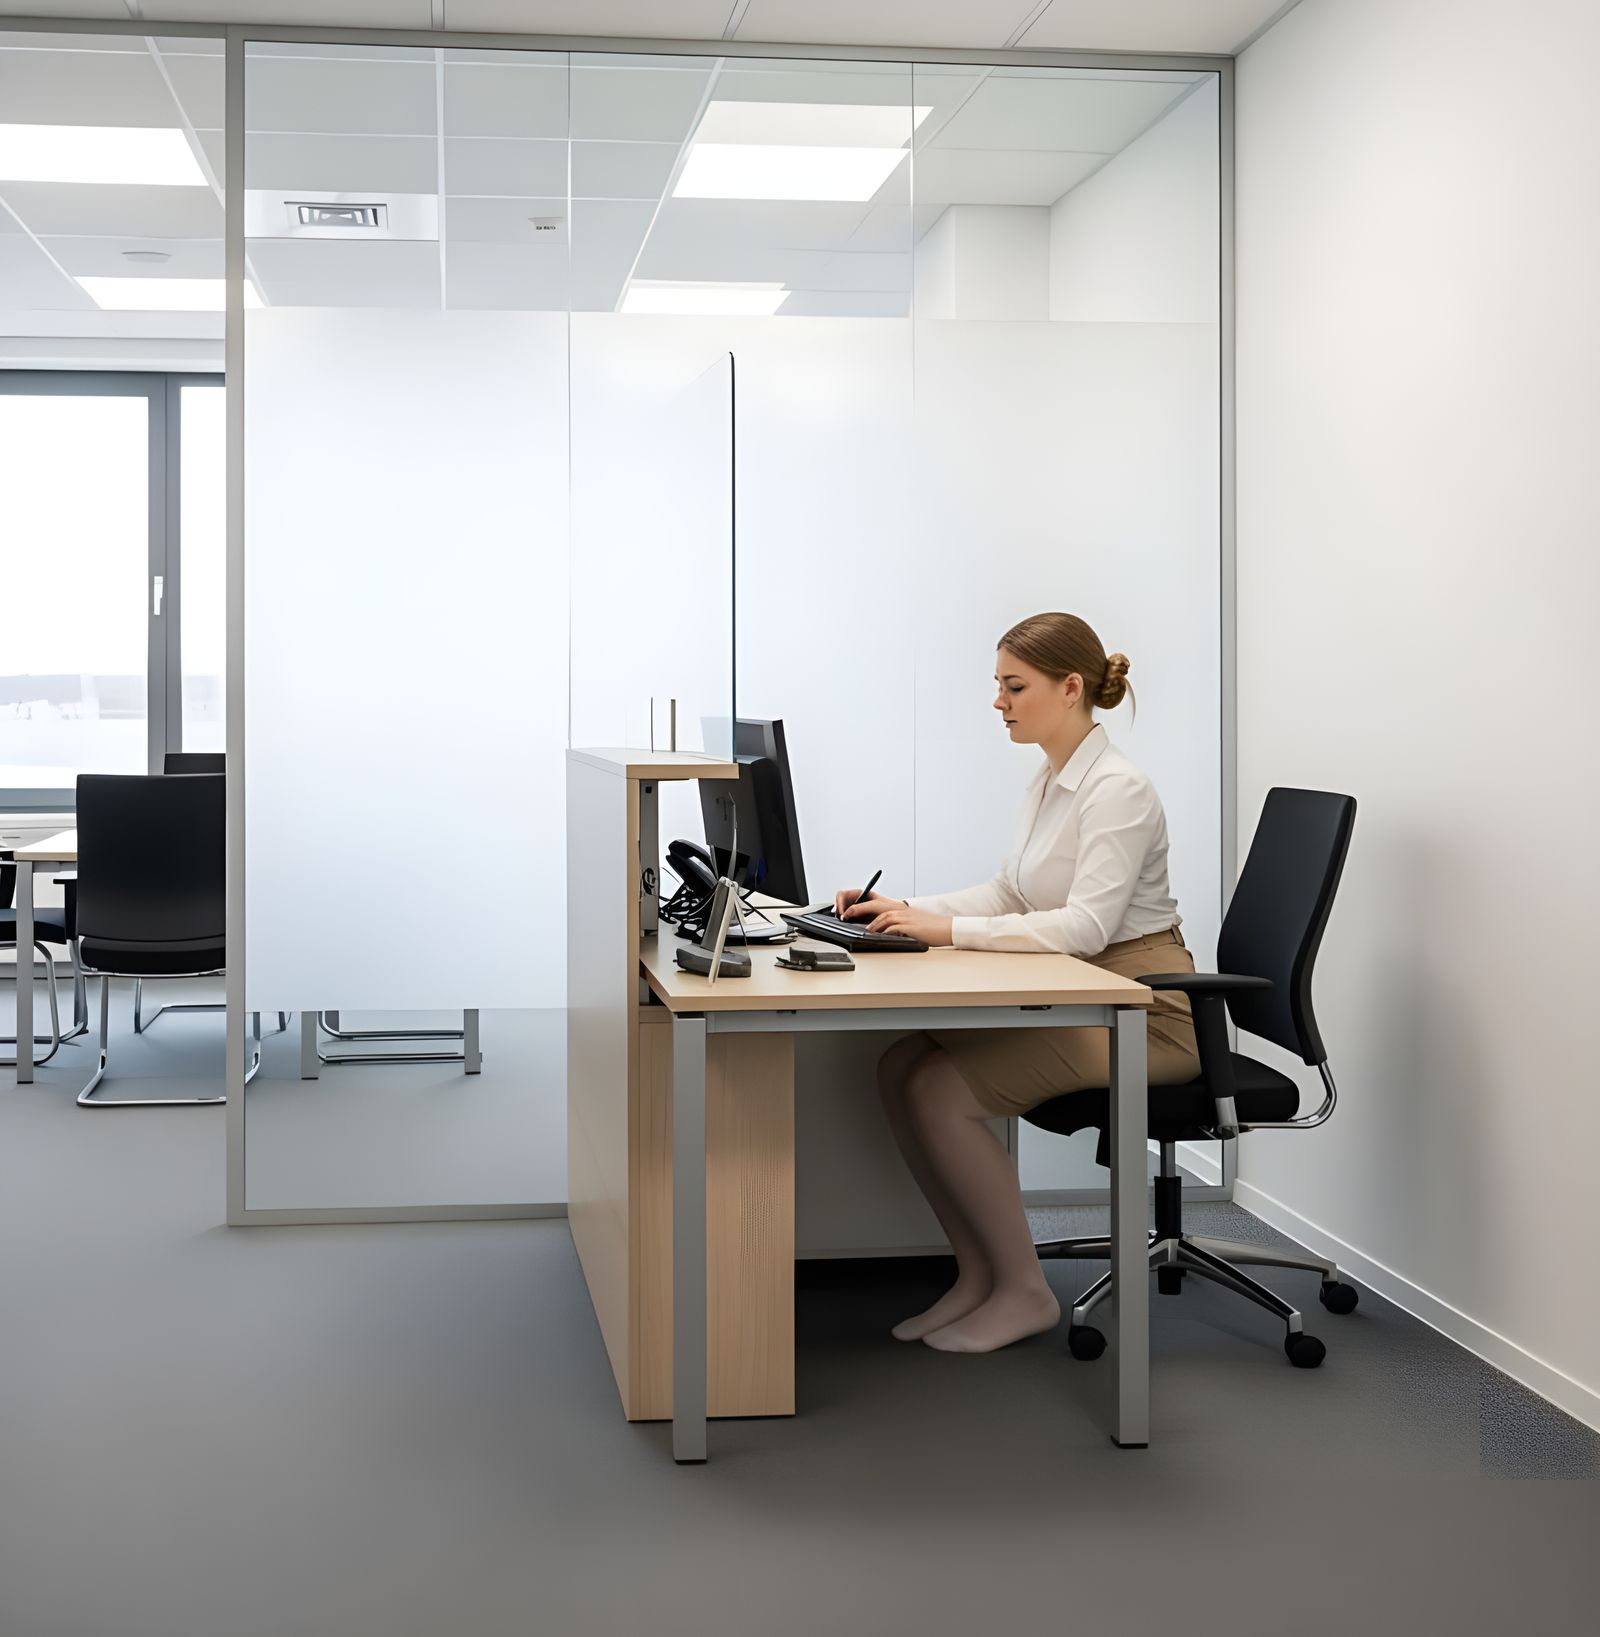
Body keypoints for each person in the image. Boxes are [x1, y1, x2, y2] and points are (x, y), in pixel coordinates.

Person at [833, 612, 1202, 1354]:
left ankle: (1026, 1291)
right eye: (998, 685)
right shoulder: (1051, 779)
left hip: (1149, 1010)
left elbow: (1086, 928)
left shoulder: (1117, 790)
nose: (998, 701)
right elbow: (1011, 892)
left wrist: (946, 932)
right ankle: (980, 1275)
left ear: (1070, 688)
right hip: (1086, 989)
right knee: (902, 1062)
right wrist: (907, 909)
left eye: (1014, 685)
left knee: (940, 1089)